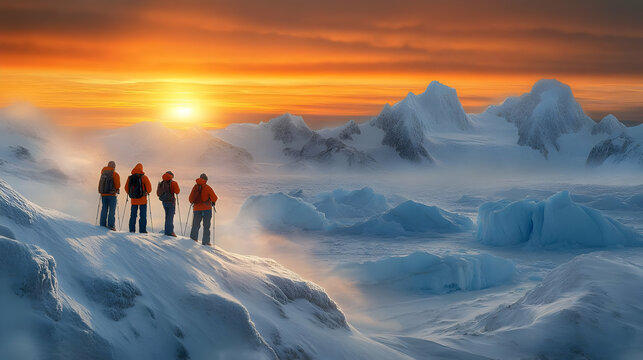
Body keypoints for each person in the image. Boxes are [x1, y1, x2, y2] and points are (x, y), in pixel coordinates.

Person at [189, 173, 218, 246]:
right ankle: (206, 242)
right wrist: (212, 202)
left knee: (195, 224)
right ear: (206, 180)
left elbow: (190, 199)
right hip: (206, 209)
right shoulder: (207, 187)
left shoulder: (195, 187)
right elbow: (214, 198)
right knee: (206, 225)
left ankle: (193, 239)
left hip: (196, 209)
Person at [125, 163, 152, 233]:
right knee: (142, 216)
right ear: (141, 169)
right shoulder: (144, 177)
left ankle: (132, 230)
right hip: (142, 199)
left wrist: (131, 194)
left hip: (133, 200)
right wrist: (146, 192)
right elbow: (149, 189)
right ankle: (142, 230)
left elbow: (126, 188)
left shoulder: (130, 177)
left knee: (133, 215)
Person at [98, 161, 120, 230]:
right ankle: (111, 226)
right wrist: (116, 189)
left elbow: (100, 183)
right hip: (112, 195)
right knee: (112, 210)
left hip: (103, 194)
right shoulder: (115, 174)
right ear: (113, 166)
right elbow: (118, 185)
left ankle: (102, 224)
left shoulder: (103, 173)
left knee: (104, 208)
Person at [157, 171, 180, 237]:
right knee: (170, 217)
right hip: (171, 202)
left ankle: (167, 231)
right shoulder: (173, 183)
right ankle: (170, 232)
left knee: (167, 216)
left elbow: (158, 194)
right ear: (171, 176)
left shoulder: (161, 183)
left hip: (164, 202)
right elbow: (177, 191)